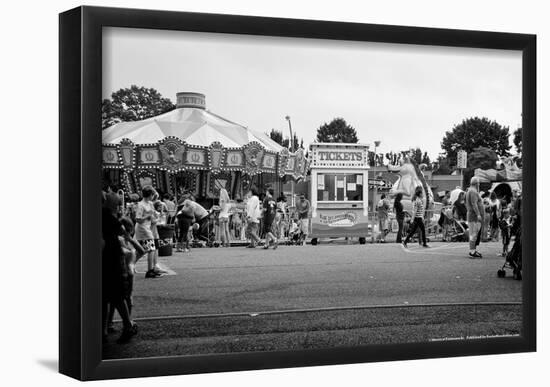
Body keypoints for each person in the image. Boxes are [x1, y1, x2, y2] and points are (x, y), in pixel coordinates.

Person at [102, 193, 138, 344]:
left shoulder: (105, 216)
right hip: (114, 258)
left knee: (109, 296)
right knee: (113, 296)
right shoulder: (110, 218)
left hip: (109, 258)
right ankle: (112, 326)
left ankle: (120, 326)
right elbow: (124, 233)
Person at [134, 186, 161, 278]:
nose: (153, 196)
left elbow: (152, 214)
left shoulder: (149, 203)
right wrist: (147, 216)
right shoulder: (141, 205)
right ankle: (150, 270)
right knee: (151, 249)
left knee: (142, 251)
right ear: (149, 195)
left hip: (147, 227)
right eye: (152, 194)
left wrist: (154, 217)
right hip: (143, 229)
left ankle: (129, 264)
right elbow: (138, 219)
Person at [465, 176, 485, 258]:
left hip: (472, 215)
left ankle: (473, 250)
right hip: (474, 216)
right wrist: (478, 214)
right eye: (479, 183)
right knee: (473, 234)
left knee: (474, 234)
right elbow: (474, 204)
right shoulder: (473, 191)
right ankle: (472, 251)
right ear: (476, 183)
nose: (479, 184)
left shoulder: (471, 190)